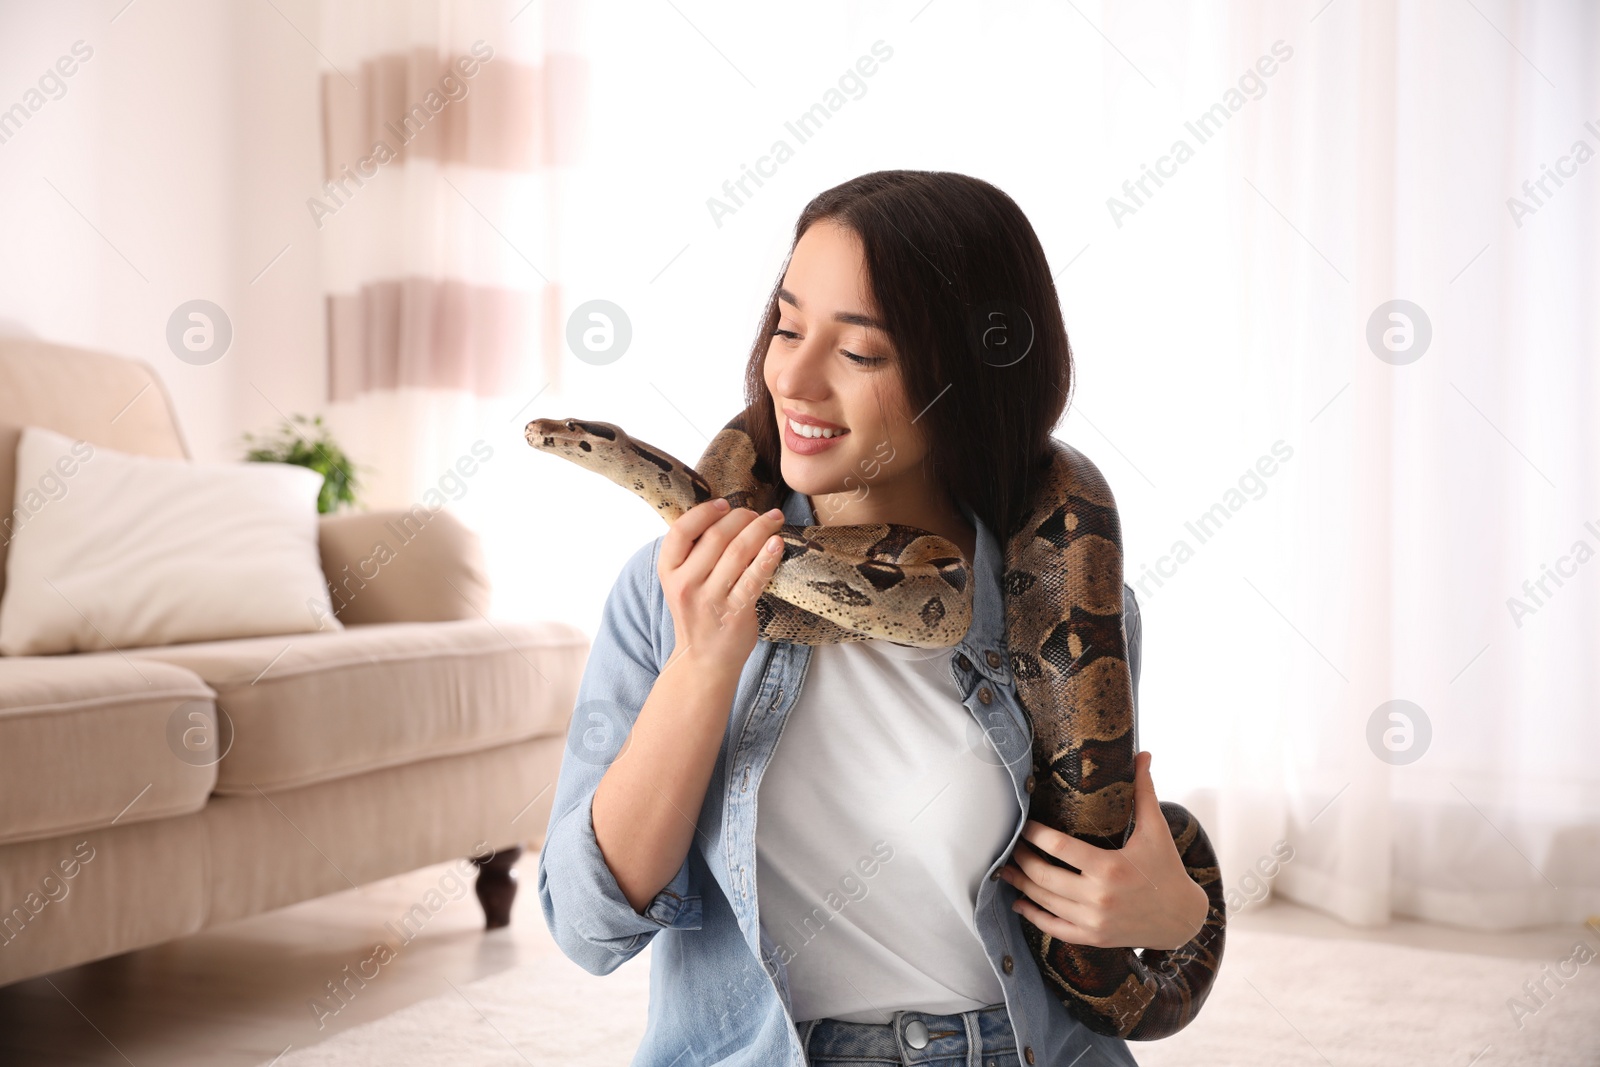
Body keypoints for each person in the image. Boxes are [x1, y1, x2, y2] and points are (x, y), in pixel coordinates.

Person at [538, 170, 1208, 1067]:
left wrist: (1184, 917)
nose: (794, 379)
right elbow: (589, 929)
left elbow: (1108, 876)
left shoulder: (1067, 607)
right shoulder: (666, 590)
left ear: (964, 381)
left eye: (860, 353)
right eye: (786, 326)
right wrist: (702, 661)